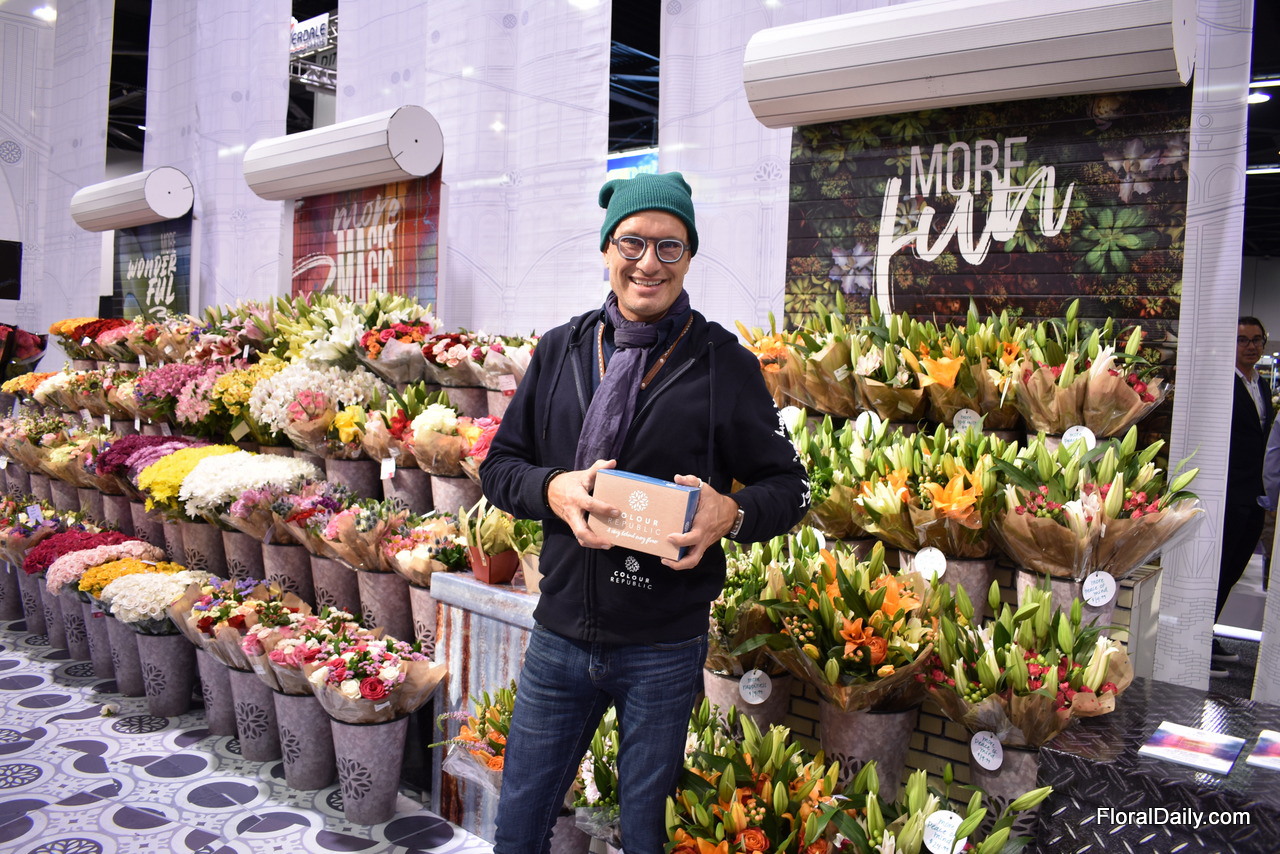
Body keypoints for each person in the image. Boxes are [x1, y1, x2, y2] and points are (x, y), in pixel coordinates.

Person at [478, 171, 810, 853]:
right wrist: (553, 488)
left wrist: (731, 512)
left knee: (644, 838)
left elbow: (791, 485)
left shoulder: (724, 364)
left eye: (669, 247)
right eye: (632, 242)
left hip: (663, 646)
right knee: (518, 827)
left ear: (688, 259)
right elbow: (500, 467)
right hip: (561, 634)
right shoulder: (562, 350)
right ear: (607, 248)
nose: (648, 263)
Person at [1215, 317, 1274, 676]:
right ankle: (1198, 640)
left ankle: (1208, 632)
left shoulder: (1261, 385)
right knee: (1219, 570)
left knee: (1235, 570)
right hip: (1228, 494)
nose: (1251, 346)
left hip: (1255, 495)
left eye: (1256, 339)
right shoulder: (1223, 384)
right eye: (1242, 340)